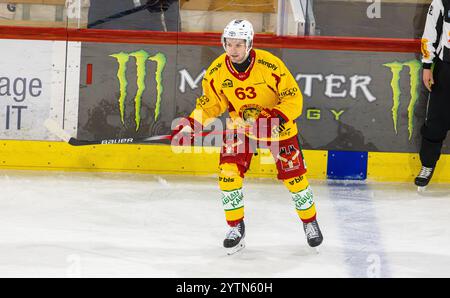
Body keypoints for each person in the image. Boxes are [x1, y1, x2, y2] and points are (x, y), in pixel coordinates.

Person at [172, 19, 323, 254]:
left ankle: (310, 222)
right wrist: (191, 124)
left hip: (277, 128)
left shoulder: (270, 65)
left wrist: (274, 117)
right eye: (229, 44)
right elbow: (211, 105)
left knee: (295, 179)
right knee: (228, 175)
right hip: (241, 127)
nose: (233, 50)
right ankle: (235, 228)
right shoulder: (216, 71)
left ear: (249, 44)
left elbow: (294, 99)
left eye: (239, 45)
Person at [416, 0, 450, 187]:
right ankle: (427, 164)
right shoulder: (441, 1)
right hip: (446, 70)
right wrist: (427, 65)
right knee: (436, 120)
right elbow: (430, 32)